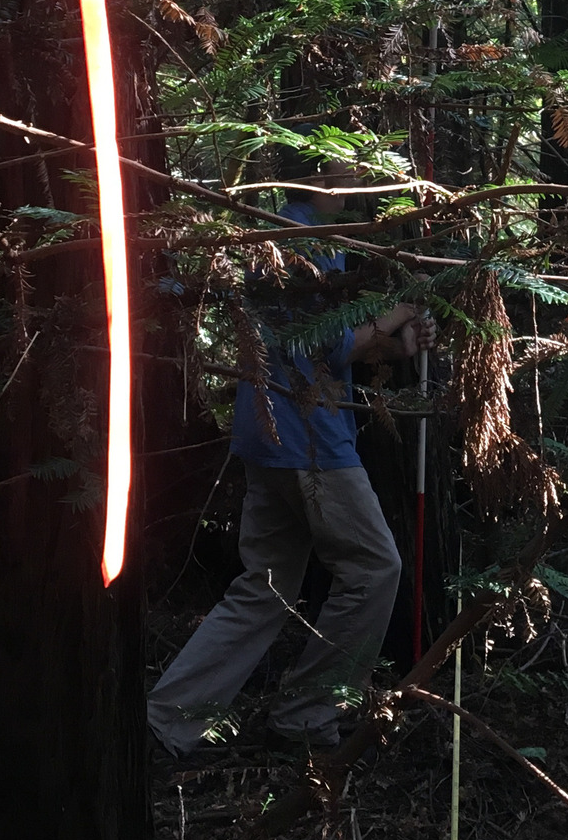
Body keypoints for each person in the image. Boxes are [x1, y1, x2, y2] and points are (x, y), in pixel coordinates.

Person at [147, 163, 432, 759]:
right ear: (323, 176)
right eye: (351, 174)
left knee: (265, 587)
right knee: (376, 568)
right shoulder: (301, 242)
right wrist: (399, 312)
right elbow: (325, 345)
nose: (360, 185)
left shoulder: (281, 235)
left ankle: (166, 722)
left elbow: (317, 348)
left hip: (269, 432)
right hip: (308, 441)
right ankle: (308, 712)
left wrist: (396, 335)